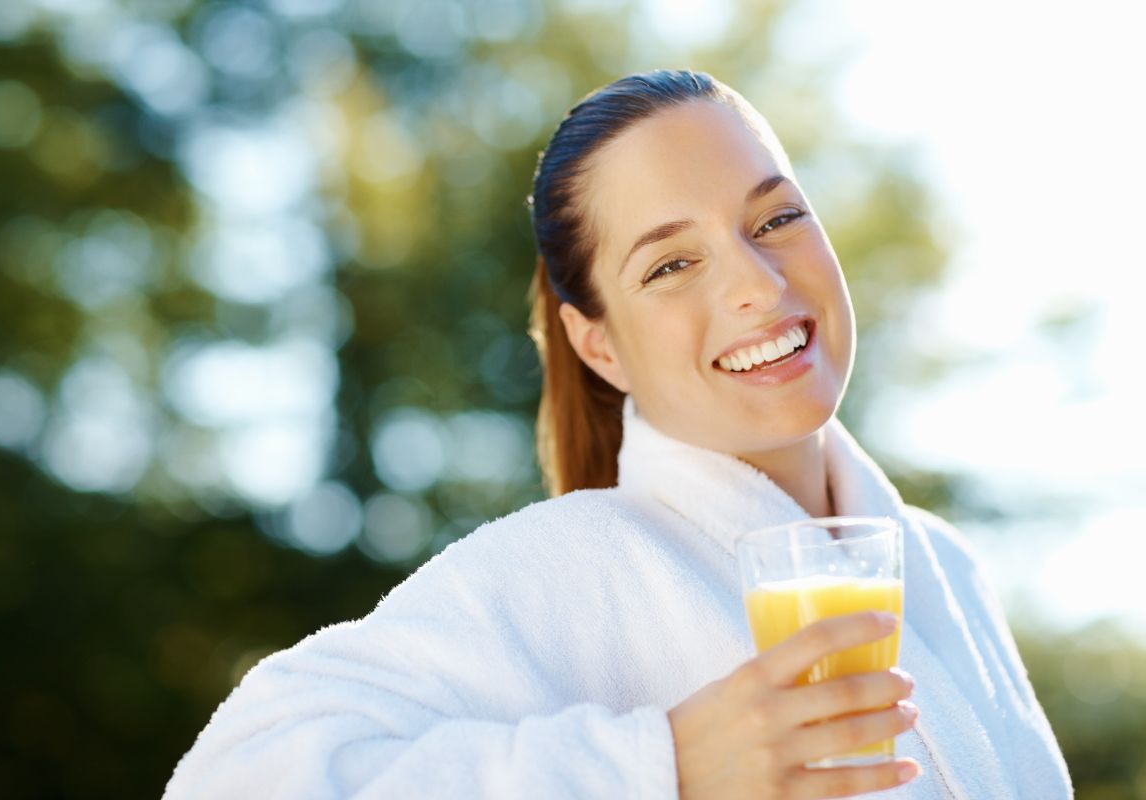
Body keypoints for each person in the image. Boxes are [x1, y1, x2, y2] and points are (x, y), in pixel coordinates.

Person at [164, 69, 1072, 799]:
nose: (756, 283)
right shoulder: (570, 568)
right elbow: (233, 780)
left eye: (778, 217)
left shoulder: (944, 568)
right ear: (598, 343)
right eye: (672, 263)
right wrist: (658, 767)